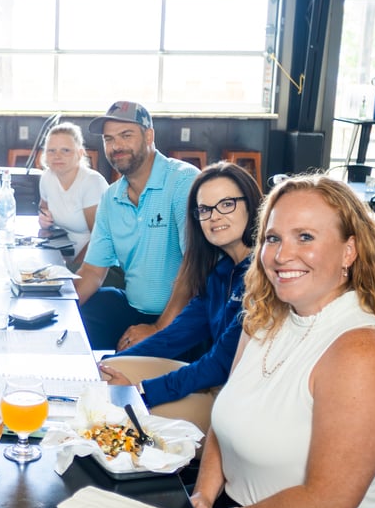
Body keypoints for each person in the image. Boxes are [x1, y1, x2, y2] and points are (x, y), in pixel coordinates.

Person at [63, 174, 375, 508]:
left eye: (305, 237)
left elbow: (327, 504)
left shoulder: (362, 351)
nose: (283, 255)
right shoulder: (265, 318)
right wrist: (203, 496)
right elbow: (226, 420)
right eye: (272, 238)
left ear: (350, 250)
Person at [98, 163, 260, 433]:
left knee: (116, 412)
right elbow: (173, 337)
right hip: (217, 383)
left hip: (239, 403)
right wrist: (105, 363)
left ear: (251, 206)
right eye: (205, 210)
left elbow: (218, 364)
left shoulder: (261, 277)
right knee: (105, 375)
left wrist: (141, 391)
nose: (214, 217)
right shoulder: (220, 273)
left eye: (227, 204)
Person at [75, 101, 199, 350]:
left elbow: (193, 267)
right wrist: (63, 313)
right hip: (134, 309)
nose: (116, 146)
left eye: (126, 135)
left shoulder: (183, 181)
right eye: (109, 139)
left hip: (184, 316)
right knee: (96, 305)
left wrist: (158, 328)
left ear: (149, 135)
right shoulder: (111, 197)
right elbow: (92, 272)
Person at [37, 122, 109, 267]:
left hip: (96, 265)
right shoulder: (47, 177)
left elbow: (100, 239)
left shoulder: (92, 183)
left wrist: (73, 269)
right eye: (51, 150)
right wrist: (44, 219)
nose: (57, 156)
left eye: (65, 150)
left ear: (80, 153)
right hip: (61, 256)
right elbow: (43, 209)